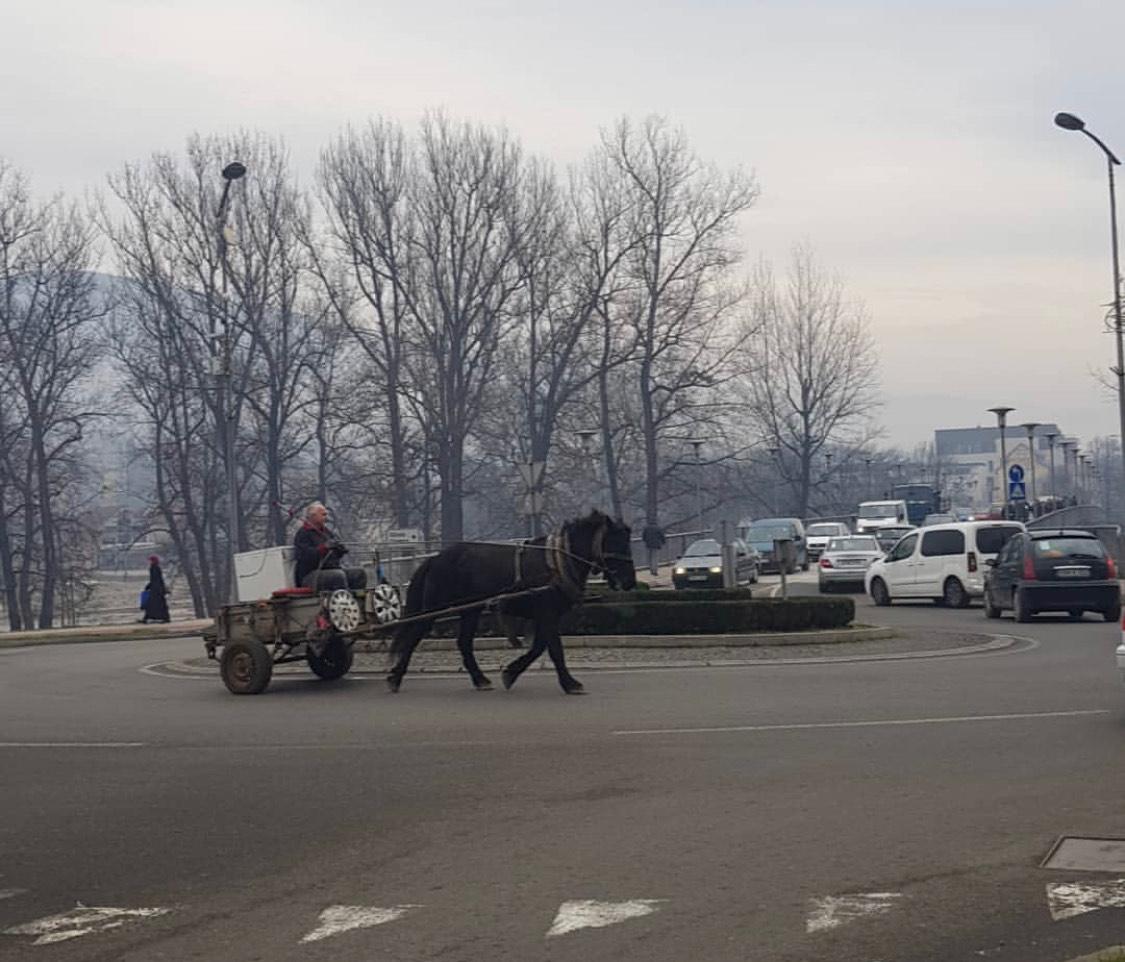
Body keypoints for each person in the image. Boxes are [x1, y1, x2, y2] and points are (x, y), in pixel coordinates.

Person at [293, 502, 366, 591]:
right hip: (311, 575)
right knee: (337, 576)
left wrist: (339, 550)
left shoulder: (326, 532)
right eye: (323, 514)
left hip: (332, 569)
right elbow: (305, 556)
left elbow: (333, 554)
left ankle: (359, 600)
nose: (326, 517)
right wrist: (324, 548)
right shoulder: (303, 534)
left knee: (359, 574)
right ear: (313, 516)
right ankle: (344, 600)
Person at [140, 555, 170, 623]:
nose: (149, 562)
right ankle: (163, 618)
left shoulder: (154, 568)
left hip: (156, 590)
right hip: (157, 589)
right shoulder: (156, 568)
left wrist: (149, 586)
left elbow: (155, 579)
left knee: (152, 604)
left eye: (150, 560)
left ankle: (147, 618)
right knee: (158, 604)